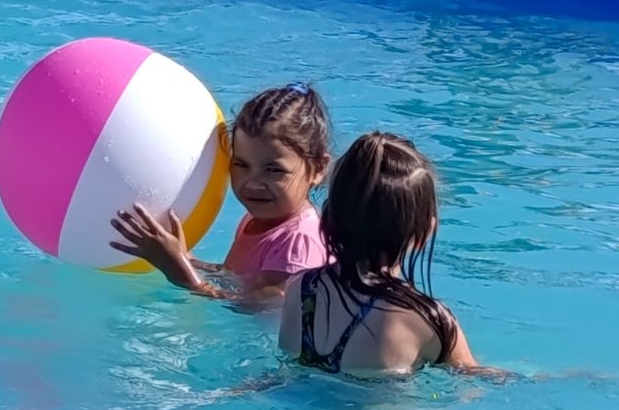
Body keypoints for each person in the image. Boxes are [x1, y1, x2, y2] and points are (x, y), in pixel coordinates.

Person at [279, 131, 484, 375]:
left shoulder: (300, 290)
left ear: (331, 216)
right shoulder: (426, 319)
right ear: (424, 233)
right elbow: (472, 379)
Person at [109, 83, 332, 299]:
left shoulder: (299, 243)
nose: (253, 183)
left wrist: (181, 273)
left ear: (318, 169)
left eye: (274, 170)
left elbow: (258, 310)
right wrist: (186, 259)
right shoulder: (259, 219)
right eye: (241, 165)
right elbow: (238, 278)